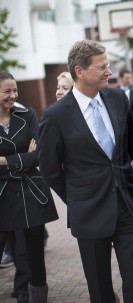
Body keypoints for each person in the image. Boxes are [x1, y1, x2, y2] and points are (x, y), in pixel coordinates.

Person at [38, 40, 133, 303]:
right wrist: (77, 197)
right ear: (80, 71)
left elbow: (127, 149)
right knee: (99, 285)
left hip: (127, 204)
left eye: (108, 66)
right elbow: (50, 168)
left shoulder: (117, 99)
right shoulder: (55, 116)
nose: (108, 72)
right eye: (102, 67)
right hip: (88, 212)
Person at [0, 71, 59, 303]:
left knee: (35, 253)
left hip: (30, 191)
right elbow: (30, 156)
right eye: (7, 91)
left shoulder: (27, 114)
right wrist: (24, 156)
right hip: (2, 194)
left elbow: (39, 154)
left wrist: (5, 160)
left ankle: (35, 297)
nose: (13, 95)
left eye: (15, 90)